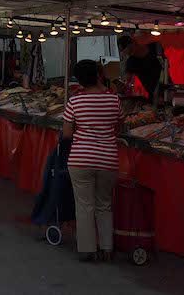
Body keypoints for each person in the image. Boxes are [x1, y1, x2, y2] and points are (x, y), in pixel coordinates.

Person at [62, 59, 122, 263]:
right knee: (104, 204)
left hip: (80, 159)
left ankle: (87, 249)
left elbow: (67, 134)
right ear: (99, 75)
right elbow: (118, 128)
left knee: (84, 205)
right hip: (107, 159)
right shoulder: (114, 99)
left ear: (79, 80)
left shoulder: (75, 101)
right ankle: (107, 248)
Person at [116, 35, 163, 102]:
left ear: (133, 43)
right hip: (152, 96)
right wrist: (122, 86)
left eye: (130, 49)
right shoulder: (131, 62)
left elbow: (166, 65)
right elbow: (126, 80)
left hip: (166, 88)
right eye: (125, 52)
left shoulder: (154, 48)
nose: (127, 53)